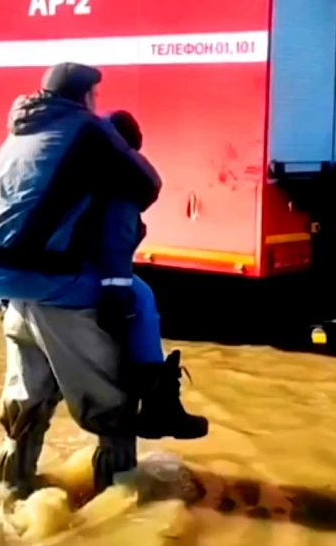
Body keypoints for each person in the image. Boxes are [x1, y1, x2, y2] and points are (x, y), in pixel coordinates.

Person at [0, 62, 164, 499]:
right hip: (40, 275)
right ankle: (123, 495)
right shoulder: (87, 130)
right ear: (86, 97)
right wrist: (115, 293)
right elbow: (143, 188)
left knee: (26, 403)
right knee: (112, 399)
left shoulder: (22, 130)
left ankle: (7, 494)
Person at [95, 109, 208, 440]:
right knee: (142, 298)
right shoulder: (121, 179)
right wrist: (118, 300)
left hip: (16, 271)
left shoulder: (70, 161)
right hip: (73, 270)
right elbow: (115, 246)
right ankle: (160, 404)